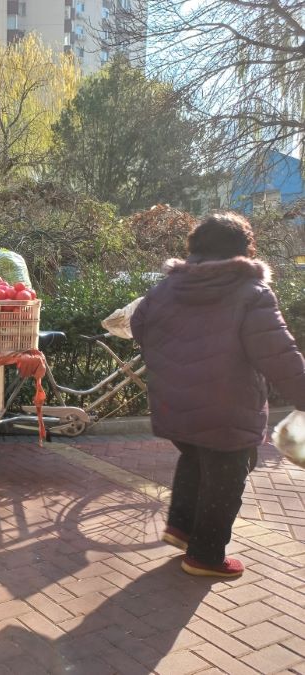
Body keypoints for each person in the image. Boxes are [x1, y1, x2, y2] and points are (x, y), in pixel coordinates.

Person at [132, 212, 305, 578]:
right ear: (244, 249)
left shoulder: (165, 289)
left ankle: (180, 528)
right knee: (227, 474)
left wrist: (169, 362)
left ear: (195, 247)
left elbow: (139, 324)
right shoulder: (251, 292)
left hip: (176, 404)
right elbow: (280, 355)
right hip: (229, 408)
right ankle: (206, 557)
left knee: (194, 456)